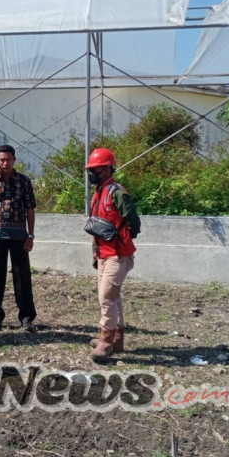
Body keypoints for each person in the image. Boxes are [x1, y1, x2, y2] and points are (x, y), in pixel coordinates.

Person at [85, 147, 140, 363]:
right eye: (91, 169)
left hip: (118, 255)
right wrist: (95, 252)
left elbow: (133, 221)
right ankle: (116, 339)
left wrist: (122, 239)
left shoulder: (116, 192)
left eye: (96, 169)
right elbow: (96, 225)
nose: (92, 173)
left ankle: (106, 341)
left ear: (108, 169)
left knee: (106, 297)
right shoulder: (99, 192)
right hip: (104, 254)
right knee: (112, 297)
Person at [0, 144, 37, 333]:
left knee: (22, 277)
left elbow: (30, 208)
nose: (5, 163)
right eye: (1, 159)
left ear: (14, 159)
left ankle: (27, 318)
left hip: (19, 235)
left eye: (8, 159)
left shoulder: (24, 181)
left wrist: (30, 235)